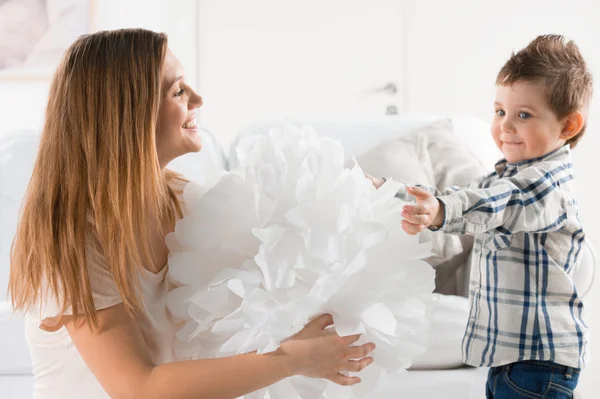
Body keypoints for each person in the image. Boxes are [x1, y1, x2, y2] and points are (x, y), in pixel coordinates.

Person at [8, 28, 375, 399]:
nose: (198, 99)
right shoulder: (72, 236)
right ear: (130, 115)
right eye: (178, 91)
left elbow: (278, 215)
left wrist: (362, 194)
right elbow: (137, 388)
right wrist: (290, 359)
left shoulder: (181, 199)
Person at [371, 34, 592, 398]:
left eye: (524, 115)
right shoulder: (506, 174)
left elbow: (494, 204)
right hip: (510, 357)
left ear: (568, 126)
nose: (505, 126)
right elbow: (458, 196)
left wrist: (441, 212)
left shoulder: (546, 186)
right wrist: (385, 190)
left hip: (539, 362)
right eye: (500, 111)